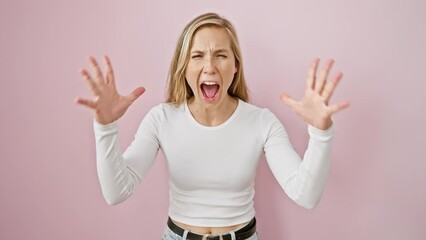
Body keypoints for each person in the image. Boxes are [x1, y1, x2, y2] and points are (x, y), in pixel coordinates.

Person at [75, 12, 349, 240]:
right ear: (183, 67)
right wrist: (106, 127)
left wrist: (320, 133)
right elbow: (116, 192)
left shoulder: (261, 122)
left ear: (235, 66)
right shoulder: (162, 118)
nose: (209, 66)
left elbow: (306, 195)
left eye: (220, 55)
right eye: (197, 56)